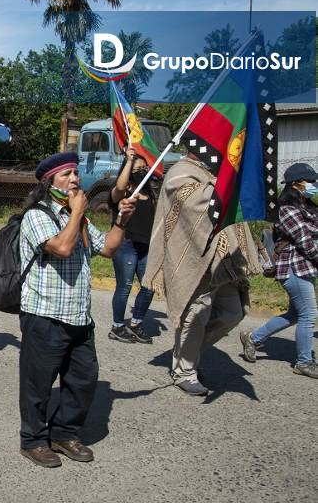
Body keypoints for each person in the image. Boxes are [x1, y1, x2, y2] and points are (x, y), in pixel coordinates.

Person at [16, 152, 138, 468]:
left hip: (79, 317)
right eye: (66, 175)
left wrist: (121, 219)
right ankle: (33, 440)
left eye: (75, 173)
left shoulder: (78, 218)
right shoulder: (37, 215)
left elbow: (109, 248)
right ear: (49, 182)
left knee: (83, 380)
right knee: (38, 385)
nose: (74, 179)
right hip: (44, 316)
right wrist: (77, 212)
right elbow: (62, 247)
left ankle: (63, 433)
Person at [143, 154, 261, 397]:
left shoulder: (216, 171)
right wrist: (224, 187)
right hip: (195, 258)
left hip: (225, 261)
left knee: (234, 313)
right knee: (197, 313)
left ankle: (188, 354)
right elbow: (190, 204)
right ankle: (184, 371)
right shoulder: (181, 170)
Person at [240, 163, 318, 378]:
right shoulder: (287, 210)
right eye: (310, 181)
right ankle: (304, 362)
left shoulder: (308, 208)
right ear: (296, 184)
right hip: (293, 269)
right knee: (309, 314)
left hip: (306, 267)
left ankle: (253, 338)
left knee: (295, 314)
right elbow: (305, 241)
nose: (314, 185)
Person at [107, 146, 159, 344]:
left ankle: (136, 323)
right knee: (125, 286)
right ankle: (117, 326)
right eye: (138, 170)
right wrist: (129, 161)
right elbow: (118, 189)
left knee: (148, 286)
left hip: (145, 245)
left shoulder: (150, 192)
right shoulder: (125, 193)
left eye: (145, 168)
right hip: (126, 244)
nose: (142, 172)